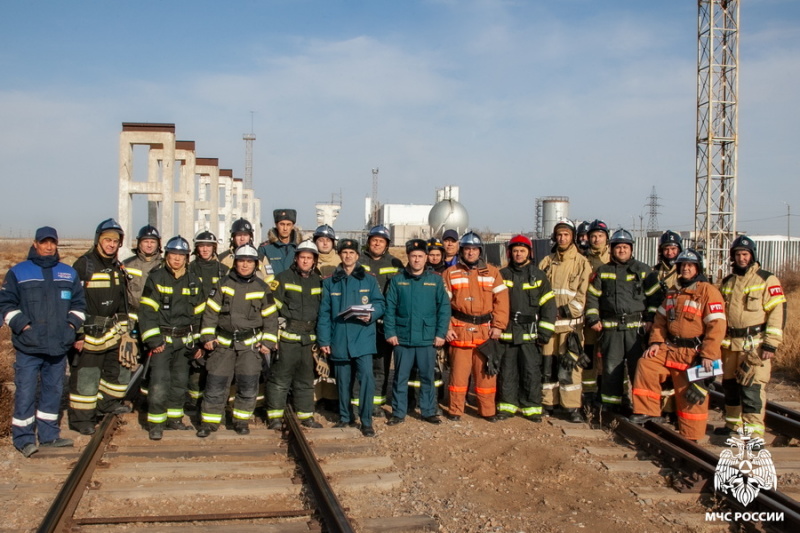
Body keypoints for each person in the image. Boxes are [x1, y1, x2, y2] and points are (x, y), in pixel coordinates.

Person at [0, 226, 85, 457]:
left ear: (57, 244)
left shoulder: (68, 273)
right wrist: (23, 326)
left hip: (58, 346)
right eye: (43, 242)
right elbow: (6, 304)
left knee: (53, 391)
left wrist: (70, 326)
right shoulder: (19, 272)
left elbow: (79, 305)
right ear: (35, 244)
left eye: (52, 242)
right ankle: (23, 438)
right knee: (26, 392)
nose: (48, 246)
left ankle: (48, 436)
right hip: (29, 346)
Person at [630, 249, 726, 441]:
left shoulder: (709, 292)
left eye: (690, 265)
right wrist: (656, 341)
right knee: (647, 364)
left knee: (691, 400)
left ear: (698, 268)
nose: (686, 268)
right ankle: (648, 411)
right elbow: (659, 320)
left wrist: (708, 355)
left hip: (694, 354)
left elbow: (717, 327)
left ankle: (691, 439)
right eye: (683, 265)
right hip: (670, 349)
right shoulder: (673, 292)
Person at [196, 244, 278, 437]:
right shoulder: (223, 284)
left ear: (256, 265)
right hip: (223, 344)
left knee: (248, 385)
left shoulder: (262, 287)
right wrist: (207, 337)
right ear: (235, 263)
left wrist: (267, 342)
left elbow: (271, 318)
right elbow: (210, 313)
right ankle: (209, 422)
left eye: (249, 262)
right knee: (215, 383)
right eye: (241, 261)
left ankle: (241, 421)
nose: (245, 265)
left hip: (250, 345)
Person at [714, 236, 786, 441]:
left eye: (745, 254)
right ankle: (732, 426)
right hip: (730, 346)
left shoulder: (767, 279)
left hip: (754, 346)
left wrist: (771, 344)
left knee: (752, 388)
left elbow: (777, 313)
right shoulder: (728, 281)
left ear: (752, 255)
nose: (741, 258)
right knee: (730, 387)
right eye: (737, 254)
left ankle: (754, 433)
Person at [138, 236, 206, 440]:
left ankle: (174, 419)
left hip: (185, 341)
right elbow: (147, 311)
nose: (177, 259)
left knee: (179, 382)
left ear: (187, 258)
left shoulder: (194, 281)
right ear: (167, 255)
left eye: (181, 256)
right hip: (163, 341)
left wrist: (198, 342)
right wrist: (153, 340)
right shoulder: (156, 278)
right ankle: (156, 423)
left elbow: (201, 314)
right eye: (173, 254)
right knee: (159, 382)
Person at [68, 219, 131, 436]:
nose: (112, 245)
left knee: (116, 371)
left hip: (112, 333)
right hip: (88, 331)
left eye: (116, 241)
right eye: (108, 240)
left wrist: (125, 333)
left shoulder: (117, 267)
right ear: (98, 240)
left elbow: (123, 301)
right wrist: (77, 333)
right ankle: (81, 419)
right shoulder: (84, 265)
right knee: (86, 376)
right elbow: (72, 302)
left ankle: (106, 405)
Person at [316, 239, 385, 437]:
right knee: (343, 382)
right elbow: (324, 313)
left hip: (363, 338)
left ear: (357, 255)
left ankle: (366, 421)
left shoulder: (369, 280)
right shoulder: (330, 282)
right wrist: (324, 340)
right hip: (339, 338)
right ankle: (346, 418)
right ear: (340, 255)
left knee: (366, 380)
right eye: (344, 252)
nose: (348, 256)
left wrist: (371, 314)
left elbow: (380, 304)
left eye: (351, 253)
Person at [443, 231, 509, 422]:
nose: (470, 253)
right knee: (458, 376)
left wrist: (498, 326)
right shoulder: (450, 273)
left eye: (474, 249)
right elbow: (443, 305)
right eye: (466, 249)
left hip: (485, 333)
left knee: (486, 377)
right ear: (461, 251)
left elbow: (501, 302)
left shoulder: (493, 272)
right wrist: (447, 328)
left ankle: (487, 411)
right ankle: (455, 410)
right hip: (459, 331)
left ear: (480, 251)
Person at [384, 239, 451, 426]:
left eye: (420, 256)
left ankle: (429, 411)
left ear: (426, 258)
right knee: (400, 377)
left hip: (427, 338)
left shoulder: (436, 280)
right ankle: (398, 412)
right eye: (413, 256)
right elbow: (390, 308)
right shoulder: (398, 280)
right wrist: (390, 332)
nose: (416, 260)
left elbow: (444, 309)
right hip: (402, 339)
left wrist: (440, 334)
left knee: (428, 377)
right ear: (408, 257)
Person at [586, 228, 650, 414]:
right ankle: (610, 404)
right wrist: (593, 318)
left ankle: (640, 407)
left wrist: (650, 319)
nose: (621, 250)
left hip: (635, 330)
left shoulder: (643, 270)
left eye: (625, 247)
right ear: (612, 249)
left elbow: (654, 297)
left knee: (637, 369)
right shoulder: (603, 271)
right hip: (611, 329)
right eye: (618, 247)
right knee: (611, 368)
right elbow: (593, 297)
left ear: (631, 249)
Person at [497, 235, 556, 422]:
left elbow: (548, 305)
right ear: (510, 253)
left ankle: (532, 409)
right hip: (507, 333)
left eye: (522, 251)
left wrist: (545, 331)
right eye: (515, 251)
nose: (518, 254)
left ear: (529, 253)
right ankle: (507, 407)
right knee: (507, 372)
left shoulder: (538, 276)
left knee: (531, 371)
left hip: (530, 334)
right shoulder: (502, 275)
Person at [265, 240, 324, 430]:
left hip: (308, 341)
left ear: (314, 260)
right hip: (287, 340)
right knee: (280, 379)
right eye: (302, 257)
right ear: (296, 258)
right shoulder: (282, 278)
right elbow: (271, 308)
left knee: (305, 380)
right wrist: (274, 334)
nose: (305, 261)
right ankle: (274, 417)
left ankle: (306, 416)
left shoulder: (319, 281)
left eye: (309, 258)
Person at [538, 219, 592, 422]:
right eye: (559, 234)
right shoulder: (546, 261)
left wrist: (564, 311)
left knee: (570, 366)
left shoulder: (581, 263)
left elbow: (583, 296)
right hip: (549, 325)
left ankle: (571, 407)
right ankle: (548, 403)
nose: (562, 238)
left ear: (573, 237)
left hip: (570, 327)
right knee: (548, 365)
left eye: (566, 235)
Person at [360, 224, 403, 416]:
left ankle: (376, 403)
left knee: (381, 365)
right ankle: (360, 400)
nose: (377, 243)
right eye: (374, 240)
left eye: (381, 241)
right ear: (369, 242)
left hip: (383, 322)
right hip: (360, 321)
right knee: (361, 363)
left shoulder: (395, 263)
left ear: (386, 244)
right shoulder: (358, 261)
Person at [186, 230, 229, 412]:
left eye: (208, 246)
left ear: (214, 248)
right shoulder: (189, 269)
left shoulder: (224, 271)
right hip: (193, 323)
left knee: (217, 366)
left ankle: (215, 403)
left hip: (217, 325)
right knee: (196, 366)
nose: (204, 250)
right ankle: (193, 403)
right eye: (201, 246)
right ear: (196, 248)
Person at [581, 218, 610, 406]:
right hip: (587, 316)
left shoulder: (613, 259)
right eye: (593, 236)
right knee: (589, 355)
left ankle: (612, 391)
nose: (597, 239)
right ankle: (589, 392)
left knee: (610, 355)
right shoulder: (582, 260)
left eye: (600, 236)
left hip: (609, 315)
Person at [123, 224, 162, 324]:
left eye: (153, 242)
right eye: (146, 241)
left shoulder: (164, 265)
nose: (149, 245)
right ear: (139, 243)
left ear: (158, 244)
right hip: (132, 320)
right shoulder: (127, 265)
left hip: (157, 318)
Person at [643, 230, 683, 325]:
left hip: (679, 316)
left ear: (679, 250)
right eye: (666, 249)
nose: (670, 253)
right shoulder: (654, 271)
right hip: (658, 317)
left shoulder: (684, 271)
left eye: (673, 249)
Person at [258, 209, 302, 275]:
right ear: (276, 225)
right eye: (282, 224)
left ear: (293, 226)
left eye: (288, 224)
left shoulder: (300, 247)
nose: (285, 228)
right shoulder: (265, 249)